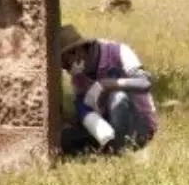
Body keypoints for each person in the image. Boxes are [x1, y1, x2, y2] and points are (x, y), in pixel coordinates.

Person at [57, 25, 158, 156]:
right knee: (65, 138)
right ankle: (111, 147)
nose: (67, 70)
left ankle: (118, 150)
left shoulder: (119, 51)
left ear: (75, 51)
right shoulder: (78, 78)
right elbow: (84, 106)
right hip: (108, 127)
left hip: (138, 125)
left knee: (118, 97)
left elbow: (145, 83)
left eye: (66, 63)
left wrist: (109, 84)